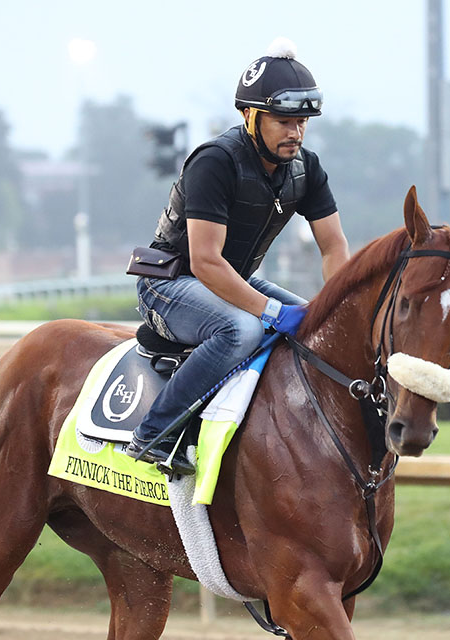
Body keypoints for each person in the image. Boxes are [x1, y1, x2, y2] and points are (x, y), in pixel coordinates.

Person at [127, 37, 350, 474]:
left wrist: (337, 305)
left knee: (317, 326)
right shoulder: (215, 161)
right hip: (170, 283)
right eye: (284, 121)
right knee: (242, 331)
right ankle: (153, 433)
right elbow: (206, 261)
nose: (296, 132)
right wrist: (269, 310)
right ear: (251, 115)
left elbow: (335, 246)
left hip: (230, 282)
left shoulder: (307, 168)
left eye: (302, 122)